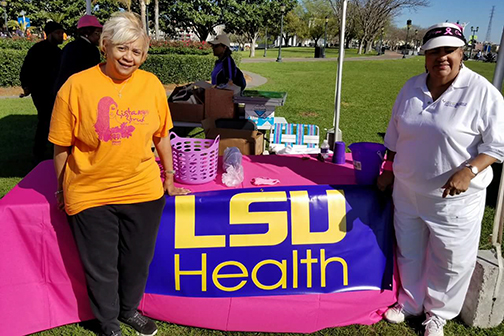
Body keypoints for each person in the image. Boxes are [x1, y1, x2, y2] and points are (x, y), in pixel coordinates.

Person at [48, 12, 190, 336]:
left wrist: (168, 176)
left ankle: (129, 310)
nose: (129, 57)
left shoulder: (152, 84)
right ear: (105, 45)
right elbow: (60, 146)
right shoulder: (76, 86)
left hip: (142, 190)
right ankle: (108, 321)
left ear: (145, 55)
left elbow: (162, 135)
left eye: (137, 52)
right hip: (90, 191)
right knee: (101, 267)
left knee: (137, 261)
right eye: (122, 48)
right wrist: (61, 190)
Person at [377, 22, 504, 336]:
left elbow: (496, 146)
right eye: (434, 51)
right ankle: (410, 302)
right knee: (409, 250)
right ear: (424, 56)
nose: (441, 58)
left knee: (451, 258)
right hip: (407, 191)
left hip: (454, 199)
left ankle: (438, 314)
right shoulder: (411, 87)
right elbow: (395, 137)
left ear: (462, 53)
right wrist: (389, 170)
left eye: (448, 50)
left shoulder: (482, 93)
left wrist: (470, 170)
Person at [20, 21, 64, 164]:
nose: (61, 36)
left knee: (53, 120)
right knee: (45, 120)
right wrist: (26, 86)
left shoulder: (59, 52)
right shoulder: (37, 50)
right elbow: (26, 68)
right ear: (49, 34)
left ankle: (52, 150)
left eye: (61, 32)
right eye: (57, 33)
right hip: (41, 92)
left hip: (55, 91)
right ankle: (39, 152)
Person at [54, 15, 103, 93]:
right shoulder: (92, 50)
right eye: (98, 32)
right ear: (88, 32)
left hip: (63, 91)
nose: (100, 37)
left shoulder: (69, 46)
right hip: (81, 92)